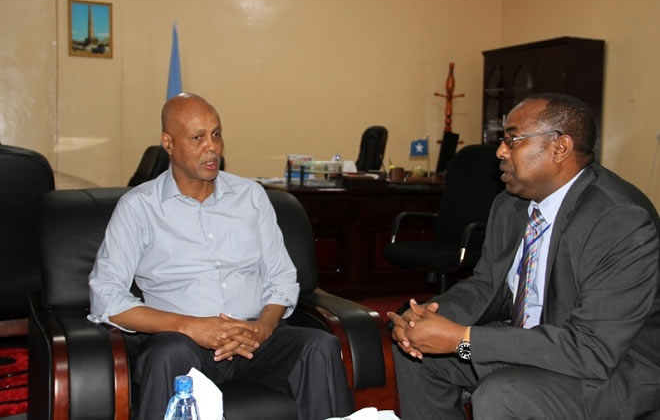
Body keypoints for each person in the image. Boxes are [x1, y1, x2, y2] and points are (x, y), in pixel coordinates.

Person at [389, 93, 660, 419]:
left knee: (502, 393)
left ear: (560, 147)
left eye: (512, 140)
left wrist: (463, 339)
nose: (500, 152)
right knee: (418, 356)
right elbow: (486, 284)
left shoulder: (618, 219)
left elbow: (593, 349)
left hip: (611, 369)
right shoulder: (511, 205)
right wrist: (423, 320)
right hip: (531, 348)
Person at [88, 92, 353, 420]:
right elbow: (106, 297)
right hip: (184, 344)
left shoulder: (251, 196)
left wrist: (264, 327)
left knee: (320, 347)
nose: (212, 147)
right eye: (197, 138)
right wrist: (192, 327)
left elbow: (282, 277)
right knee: (167, 354)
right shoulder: (139, 207)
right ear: (168, 143)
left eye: (216, 134)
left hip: (254, 339)